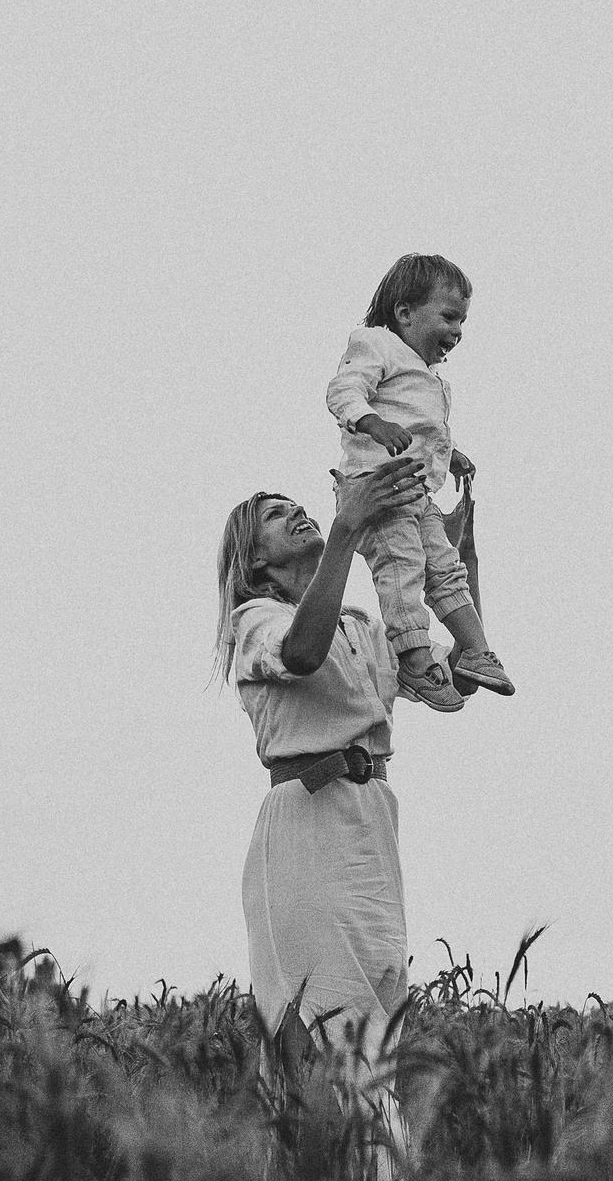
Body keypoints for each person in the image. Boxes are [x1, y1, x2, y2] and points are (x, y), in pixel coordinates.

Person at [213, 457, 432, 1101]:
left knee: (382, 999)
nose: (295, 511)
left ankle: (345, 1173)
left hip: (369, 821)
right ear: (256, 563)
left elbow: (450, 682)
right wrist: (346, 532)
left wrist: (455, 554)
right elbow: (301, 656)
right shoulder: (253, 620)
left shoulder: (360, 625)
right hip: (305, 825)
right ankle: (369, 1178)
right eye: (276, 517)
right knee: (331, 1012)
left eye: (293, 504)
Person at [325, 253, 515, 712]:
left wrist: (451, 457)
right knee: (402, 567)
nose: (457, 331)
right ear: (405, 312)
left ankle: (474, 651)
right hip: (377, 490)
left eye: (462, 321)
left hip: (418, 493)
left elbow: (422, 430)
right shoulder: (375, 344)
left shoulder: (428, 376)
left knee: (445, 566)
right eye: (449, 317)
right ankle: (413, 658)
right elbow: (342, 390)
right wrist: (370, 422)